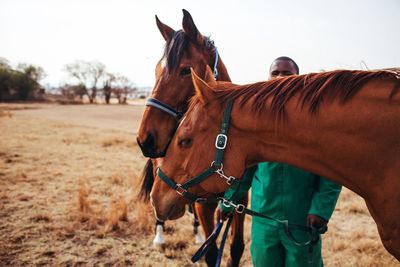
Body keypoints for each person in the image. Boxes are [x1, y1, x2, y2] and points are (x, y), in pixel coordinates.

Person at [220, 56, 342, 267]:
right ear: (267, 79)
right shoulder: (256, 122)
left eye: (287, 73)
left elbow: (332, 172)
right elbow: (245, 169)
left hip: (302, 221)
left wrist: (320, 210)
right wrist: (229, 200)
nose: (280, 77)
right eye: (275, 73)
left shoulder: (315, 121)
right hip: (263, 221)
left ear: (298, 79)